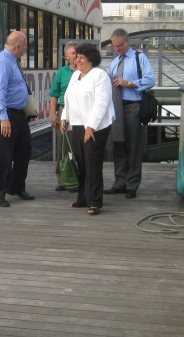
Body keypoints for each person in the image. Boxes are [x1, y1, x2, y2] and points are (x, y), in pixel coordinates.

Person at [60, 43, 115, 216]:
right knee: (81, 162)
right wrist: (64, 118)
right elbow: (68, 98)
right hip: (77, 124)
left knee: (92, 163)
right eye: (77, 57)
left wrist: (91, 126)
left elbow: (101, 102)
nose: (78, 60)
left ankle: (95, 201)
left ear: (91, 60)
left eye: (82, 58)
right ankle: (82, 197)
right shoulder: (75, 75)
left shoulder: (100, 76)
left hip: (96, 126)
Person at [0, 31, 35, 207]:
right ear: (17, 46)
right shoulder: (3, 62)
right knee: (3, 155)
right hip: (5, 113)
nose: (24, 50)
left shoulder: (13, 61)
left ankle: (16, 186)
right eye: (24, 47)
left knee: (24, 150)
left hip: (18, 113)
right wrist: (3, 118)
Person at [106, 28, 155, 199]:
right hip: (116, 106)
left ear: (127, 42)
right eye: (114, 47)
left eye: (119, 46)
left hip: (133, 105)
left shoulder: (139, 58)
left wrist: (129, 83)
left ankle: (132, 184)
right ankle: (120, 182)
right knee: (118, 144)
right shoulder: (114, 62)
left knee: (133, 146)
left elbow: (150, 80)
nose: (117, 49)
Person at [49, 41, 78, 192]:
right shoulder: (62, 72)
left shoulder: (84, 71)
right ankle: (62, 179)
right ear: (66, 56)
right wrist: (53, 114)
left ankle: (74, 177)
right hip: (64, 110)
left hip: (79, 112)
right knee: (63, 145)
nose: (76, 56)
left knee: (76, 146)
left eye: (78, 53)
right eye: (73, 53)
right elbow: (54, 94)